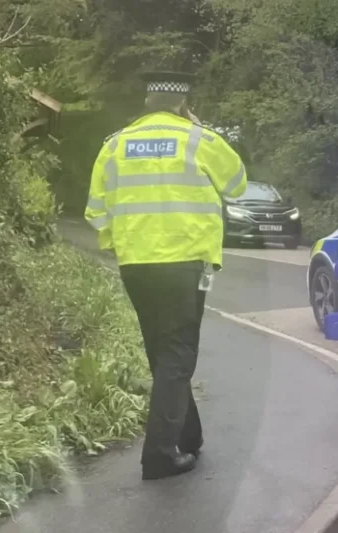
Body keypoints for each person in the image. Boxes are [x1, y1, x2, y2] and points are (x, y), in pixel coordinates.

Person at [85, 70, 247, 480]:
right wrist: (199, 129)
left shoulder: (115, 144)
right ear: (183, 103)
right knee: (177, 354)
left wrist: (118, 242)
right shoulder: (199, 140)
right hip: (184, 264)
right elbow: (237, 185)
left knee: (162, 352)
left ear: (147, 101)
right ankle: (159, 455)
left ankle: (188, 436)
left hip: (136, 266)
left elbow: (96, 211)